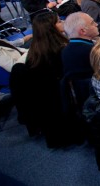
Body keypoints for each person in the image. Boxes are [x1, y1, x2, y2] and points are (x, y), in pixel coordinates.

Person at [10, 11, 78, 147]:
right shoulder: (57, 50)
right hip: (59, 100)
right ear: (51, 28)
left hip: (47, 103)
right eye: (59, 21)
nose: (63, 23)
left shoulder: (36, 48)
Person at [62, 12, 99, 79]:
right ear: (83, 31)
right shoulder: (92, 51)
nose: (96, 24)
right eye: (92, 23)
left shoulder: (65, 50)